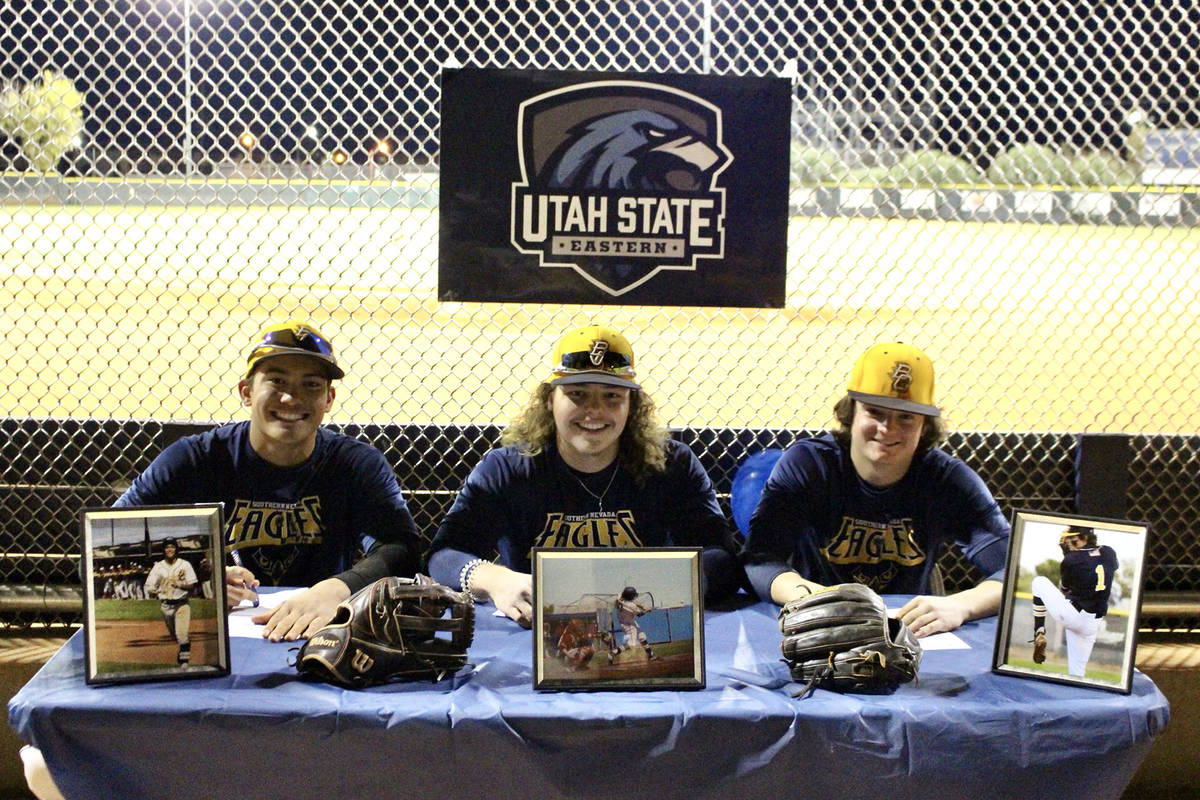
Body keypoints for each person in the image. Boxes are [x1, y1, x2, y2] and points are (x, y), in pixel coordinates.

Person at [115, 319, 422, 641]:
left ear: (329, 399)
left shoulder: (355, 464)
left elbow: (402, 548)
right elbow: (101, 549)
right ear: (246, 392)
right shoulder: (194, 459)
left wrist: (337, 589)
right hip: (213, 635)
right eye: (277, 381)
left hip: (317, 632)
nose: (291, 398)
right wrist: (200, 580)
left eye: (312, 385)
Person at [426, 324, 741, 627]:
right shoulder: (509, 469)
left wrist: (667, 583)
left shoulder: (671, 466)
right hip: (535, 636)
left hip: (641, 623)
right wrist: (496, 580)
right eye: (578, 394)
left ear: (632, 405)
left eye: (612, 396)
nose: (594, 411)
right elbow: (443, 556)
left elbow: (722, 558)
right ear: (550, 400)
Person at [741, 342, 1010, 637]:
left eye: (905, 417)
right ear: (851, 412)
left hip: (908, 632)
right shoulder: (811, 465)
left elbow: (1023, 571)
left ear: (925, 424)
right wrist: (811, 597)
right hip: (818, 625)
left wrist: (961, 605)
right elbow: (759, 559)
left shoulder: (946, 479)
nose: (887, 428)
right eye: (874, 412)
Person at [1031, 524, 1119, 677]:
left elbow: (1064, 590)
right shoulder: (1109, 552)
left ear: (1085, 537)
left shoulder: (1071, 559)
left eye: (1073, 538)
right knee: (1077, 672)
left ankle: (1038, 632)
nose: (1069, 542)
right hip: (1092, 624)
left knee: (1039, 582)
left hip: (1073, 614)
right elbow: (1109, 567)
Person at [143, 536, 198, 665]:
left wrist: (179, 584)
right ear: (163, 550)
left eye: (172, 547)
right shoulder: (158, 567)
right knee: (175, 636)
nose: (170, 549)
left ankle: (184, 663)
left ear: (176, 549)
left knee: (181, 635)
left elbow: (192, 585)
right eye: (167, 547)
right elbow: (149, 586)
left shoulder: (185, 564)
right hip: (166, 606)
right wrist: (153, 591)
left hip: (182, 604)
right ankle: (184, 647)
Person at [611, 585, 657, 663]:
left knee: (642, 637)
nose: (634, 597)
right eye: (633, 595)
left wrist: (641, 606)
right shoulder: (631, 606)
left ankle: (651, 655)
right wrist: (647, 610)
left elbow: (631, 602)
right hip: (629, 625)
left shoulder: (620, 598)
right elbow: (639, 614)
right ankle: (613, 653)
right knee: (631, 644)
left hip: (628, 622)